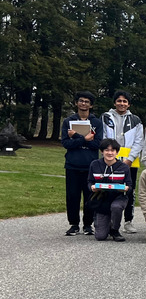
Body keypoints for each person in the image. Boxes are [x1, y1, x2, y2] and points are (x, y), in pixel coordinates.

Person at [101, 91, 144, 234]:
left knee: (129, 191)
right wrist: (110, 157)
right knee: (108, 189)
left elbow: (139, 141)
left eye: (125, 101)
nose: (122, 104)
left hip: (129, 162)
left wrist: (130, 159)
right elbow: (103, 137)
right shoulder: (105, 117)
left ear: (129, 104)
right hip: (109, 160)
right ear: (114, 103)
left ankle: (128, 221)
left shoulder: (136, 120)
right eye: (119, 101)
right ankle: (109, 220)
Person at [61, 91, 103, 236]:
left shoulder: (96, 123)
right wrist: (84, 139)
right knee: (72, 196)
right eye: (81, 101)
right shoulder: (68, 122)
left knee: (90, 195)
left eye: (86, 101)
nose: (83, 103)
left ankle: (88, 224)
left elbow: (97, 144)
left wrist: (77, 137)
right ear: (76, 103)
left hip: (90, 165)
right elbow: (66, 143)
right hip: (72, 164)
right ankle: (73, 224)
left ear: (91, 105)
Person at [87, 138, 133, 241]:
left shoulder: (124, 167)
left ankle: (114, 230)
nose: (110, 153)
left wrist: (126, 188)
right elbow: (89, 181)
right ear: (102, 151)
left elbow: (130, 186)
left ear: (117, 152)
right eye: (107, 150)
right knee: (100, 236)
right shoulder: (95, 164)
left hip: (118, 197)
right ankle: (103, 221)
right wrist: (92, 187)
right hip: (101, 199)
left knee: (116, 207)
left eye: (113, 150)